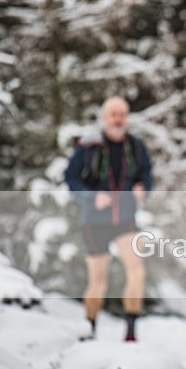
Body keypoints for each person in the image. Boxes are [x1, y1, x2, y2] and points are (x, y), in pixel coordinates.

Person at [64, 96, 153, 342]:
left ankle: (131, 332)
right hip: (95, 221)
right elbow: (71, 179)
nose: (118, 118)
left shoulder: (135, 146)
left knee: (137, 270)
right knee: (98, 280)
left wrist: (143, 188)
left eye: (122, 113)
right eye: (113, 113)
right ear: (103, 117)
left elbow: (147, 175)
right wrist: (92, 197)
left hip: (126, 219)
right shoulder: (88, 146)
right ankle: (89, 329)